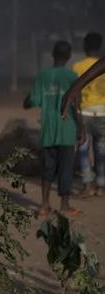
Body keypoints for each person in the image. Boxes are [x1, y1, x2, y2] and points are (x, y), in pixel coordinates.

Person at [23, 41, 84, 217]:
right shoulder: (72, 76)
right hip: (67, 128)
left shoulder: (43, 75)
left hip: (48, 128)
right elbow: (76, 106)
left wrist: (26, 101)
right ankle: (65, 205)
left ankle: (43, 204)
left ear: (52, 54)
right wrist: (82, 129)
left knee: (48, 167)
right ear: (69, 55)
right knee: (66, 167)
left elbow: (32, 100)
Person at [72, 32, 104, 198]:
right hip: (103, 112)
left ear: (85, 46)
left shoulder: (77, 66)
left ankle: (87, 185)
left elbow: (75, 92)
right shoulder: (103, 64)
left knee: (83, 149)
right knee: (101, 149)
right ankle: (101, 185)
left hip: (84, 111)